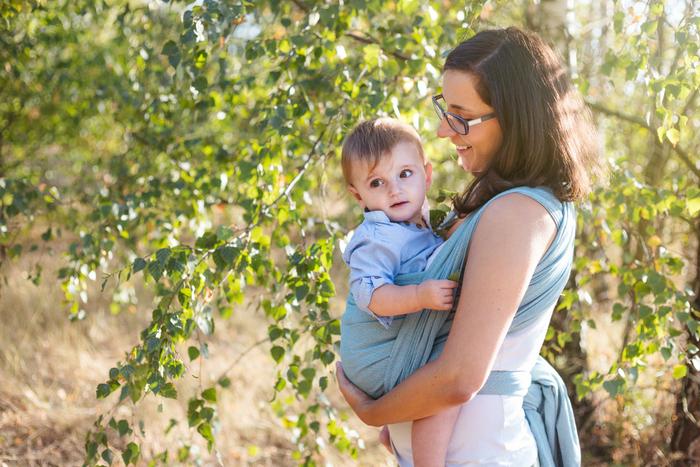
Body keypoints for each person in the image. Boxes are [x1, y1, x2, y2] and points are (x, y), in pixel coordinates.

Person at [336, 26, 599, 467]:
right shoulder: (497, 205)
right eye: (444, 109)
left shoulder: (518, 214)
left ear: (513, 116)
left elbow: (459, 378)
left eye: (460, 114)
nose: (442, 130)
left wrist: (372, 411)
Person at [339, 117, 460, 467]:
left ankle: (396, 432)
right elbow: (371, 296)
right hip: (374, 358)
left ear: (427, 173)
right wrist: (419, 295)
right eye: (378, 182)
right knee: (442, 389)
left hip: (390, 346)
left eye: (405, 174)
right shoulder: (376, 238)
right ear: (358, 194)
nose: (395, 189)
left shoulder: (418, 220)